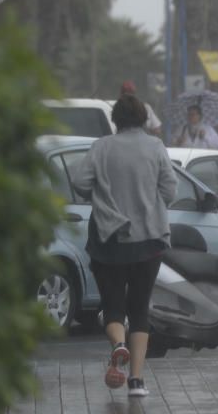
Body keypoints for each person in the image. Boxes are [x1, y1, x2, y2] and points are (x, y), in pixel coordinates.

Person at [72, 93, 177, 396]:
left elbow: (80, 183)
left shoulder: (101, 147)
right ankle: (137, 382)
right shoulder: (155, 147)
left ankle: (119, 344)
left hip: (109, 239)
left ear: (115, 120)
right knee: (140, 309)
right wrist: (151, 203)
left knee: (113, 306)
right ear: (144, 118)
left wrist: (101, 196)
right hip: (150, 240)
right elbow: (170, 188)